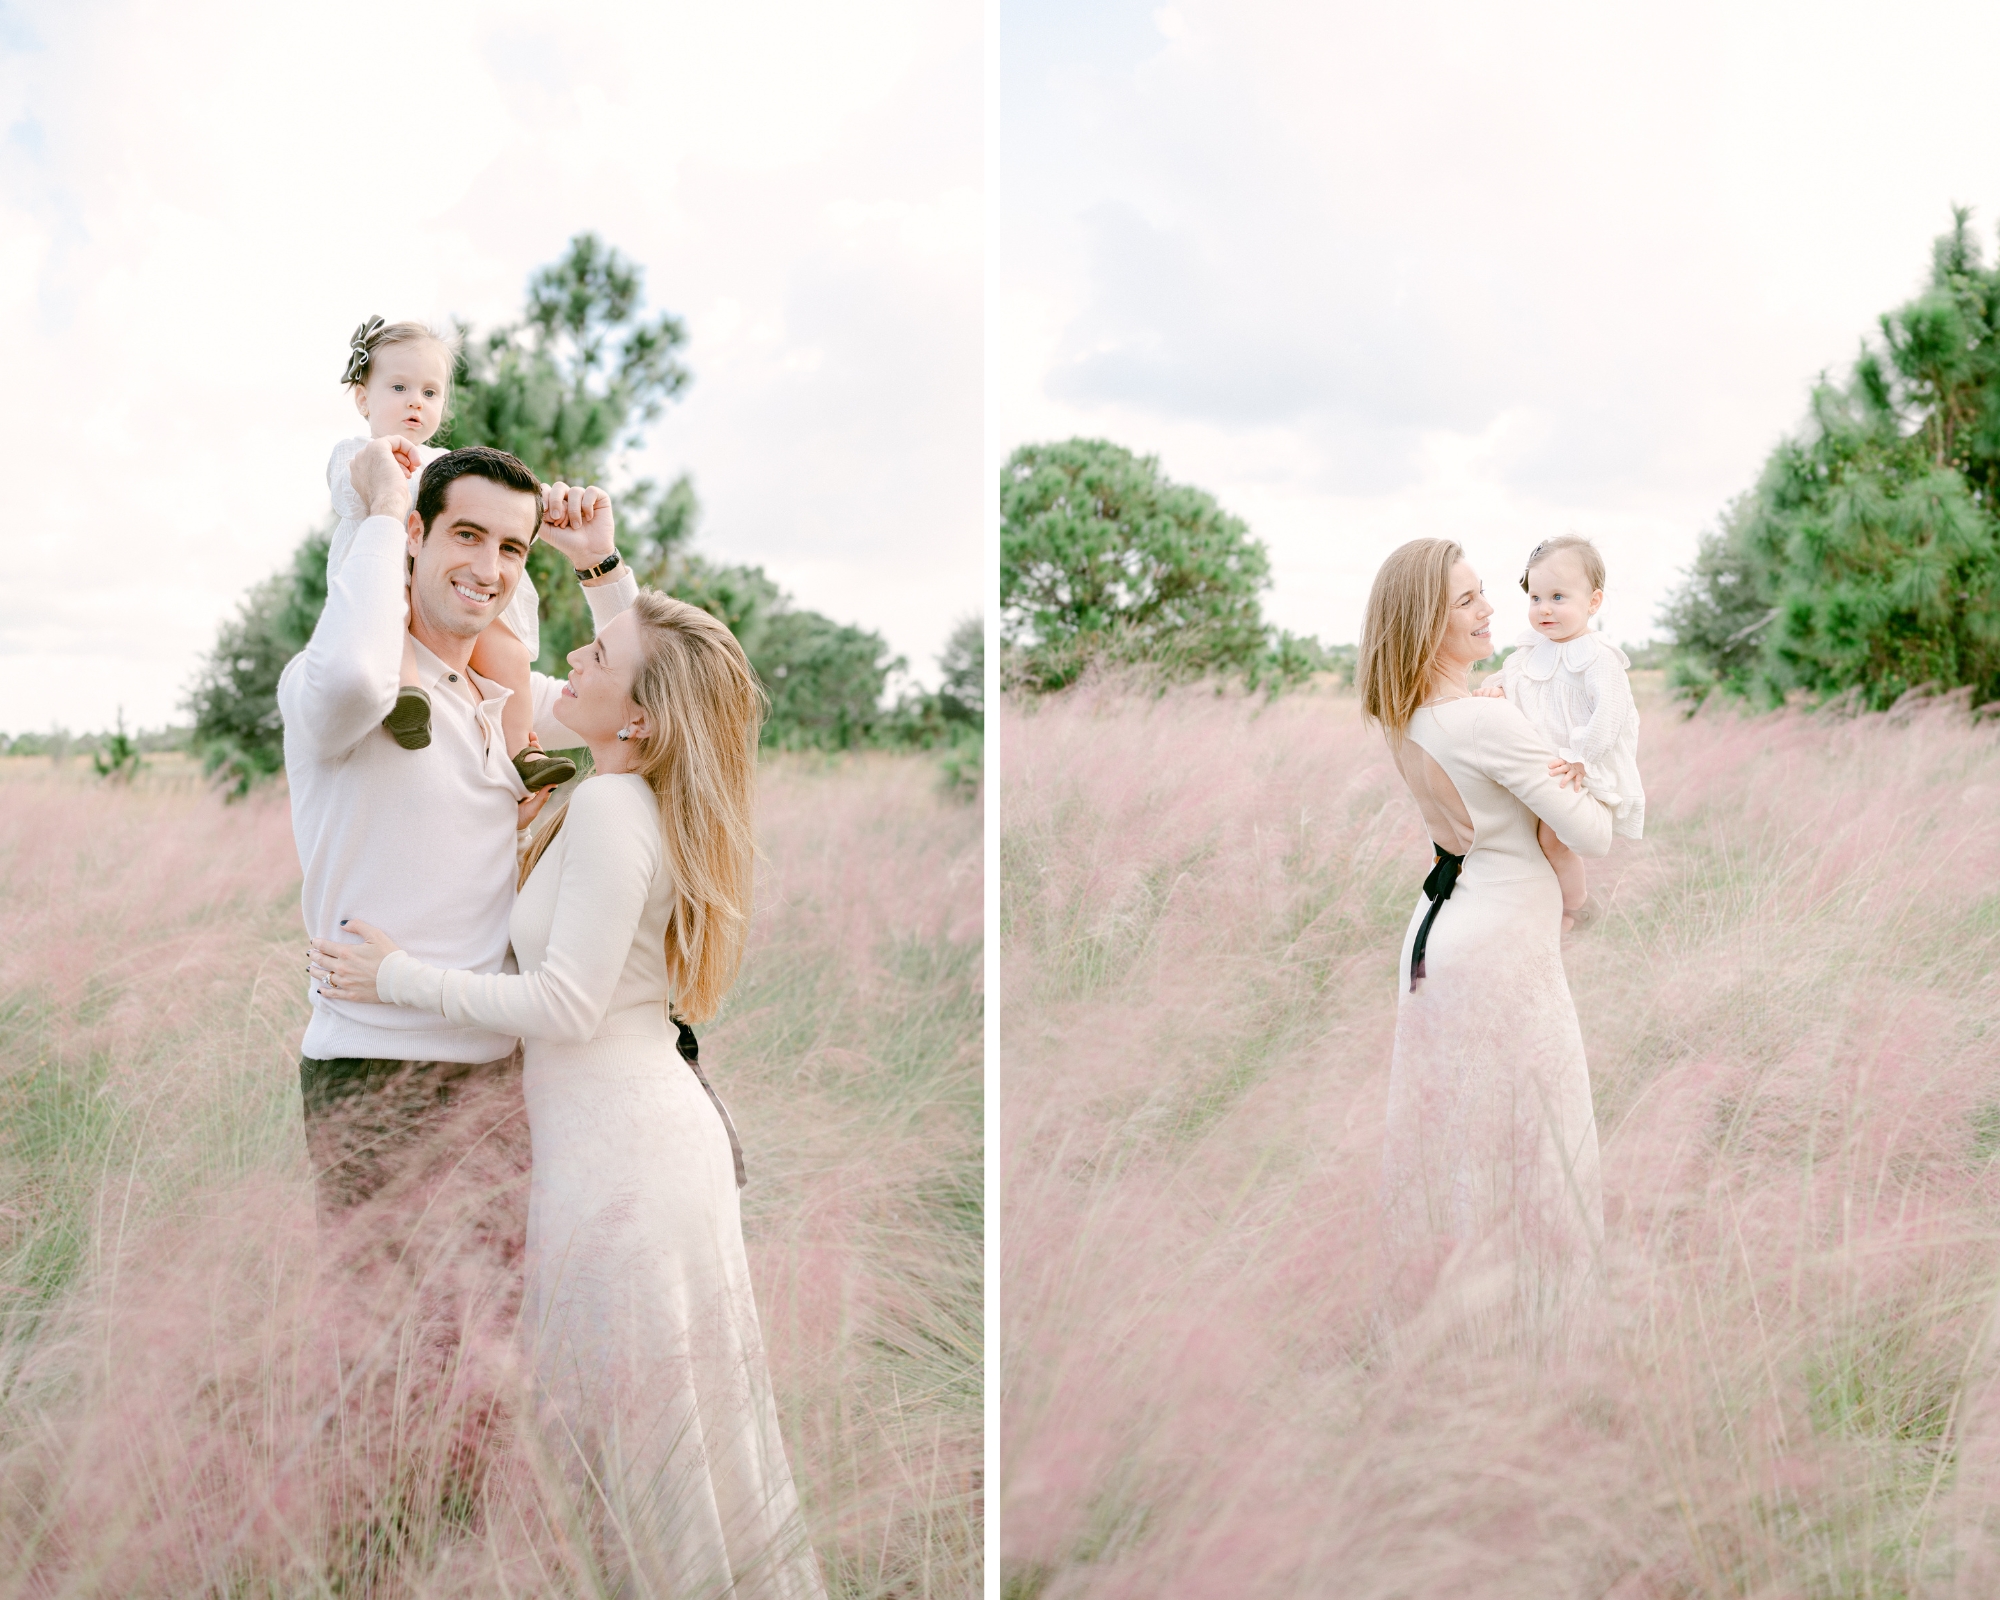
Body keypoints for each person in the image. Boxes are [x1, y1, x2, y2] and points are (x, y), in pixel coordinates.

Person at [308, 592, 826, 1598]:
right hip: (633, 1139)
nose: (573, 666)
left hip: (619, 1155)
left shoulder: (608, 805)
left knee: (624, 1440)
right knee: (669, 1438)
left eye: (596, 657)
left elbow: (564, 1001)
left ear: (637, 715)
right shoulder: (621, 796)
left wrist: (394, 975)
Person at [280, 434, 635, 1228]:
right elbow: (352, 673)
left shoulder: (512, 698)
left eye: (512, 547)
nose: (489, 568)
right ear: (417, 536)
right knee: (385, 1346)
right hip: (371, 1068)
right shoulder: (340, 691)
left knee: (486, 1341)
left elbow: (654, 701)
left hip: (499, 1066)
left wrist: (600, 567)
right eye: (467, 535)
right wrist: (379, 511)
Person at [1357, 538, 1614, 1336]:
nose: (1490, 610)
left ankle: (1452, 1324)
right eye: (1466, 600)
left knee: (1457, 1151)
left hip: (1442, 935)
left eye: (1481, 594)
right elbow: (1594, 832)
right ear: (1425, 621)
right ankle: (1537, 1337)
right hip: (1497, 947)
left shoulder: (1411, 718)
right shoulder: (1484, 721)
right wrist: (1583, 768)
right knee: (1540, 1140)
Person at [327, 315, 574, 790]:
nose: (415, 402)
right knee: (388, 620)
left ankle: (522, 747)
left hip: (444, 589)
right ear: (363, 398)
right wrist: (380, 474)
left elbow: (495, 510)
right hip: (383, 574)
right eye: (398, 387)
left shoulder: (446, 463)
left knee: (509, 652)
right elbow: (347, 494)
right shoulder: (356, 452)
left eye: (430, 392)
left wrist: (545, 505)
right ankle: (406, 694)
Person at [1477, 534, 1644, 930]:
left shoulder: (1598, 659)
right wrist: (1495, 687)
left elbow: (1612, 714)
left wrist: (1582, 757)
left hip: (1569, 766)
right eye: (1535, 598)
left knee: (1552, 839)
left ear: (1593, 602)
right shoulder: (1530, 650)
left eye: (1558, 597)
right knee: (1521, 839)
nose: (1544, 609)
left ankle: (1575, 909)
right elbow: (1512, 677)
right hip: (1534, 765)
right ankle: (1534, 905)